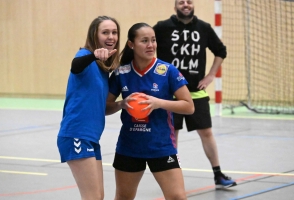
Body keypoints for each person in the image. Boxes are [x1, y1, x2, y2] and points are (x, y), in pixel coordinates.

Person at [153, 0, 237, 189]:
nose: (185, 4)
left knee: (206, 132)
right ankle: (172, 176)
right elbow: (145, 46)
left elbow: (221, 51)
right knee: (171, 134)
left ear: (193, 5)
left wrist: (210, 75)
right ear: (175, 6)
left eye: (189, 1)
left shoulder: (203, 28)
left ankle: (218, 174)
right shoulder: (162, 27)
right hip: (169, 94)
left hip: (195, 93)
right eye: (181, 2)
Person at [105, 22, 194, 200]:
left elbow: (189, 106)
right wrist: (122, 104)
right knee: (123, 197)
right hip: (129, 146)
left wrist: (158, 103)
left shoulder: (167, 70)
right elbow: (106, 108)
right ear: (131, 44)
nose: (151, 45)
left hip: (161, 145)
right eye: (144, 41)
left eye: (153, 40)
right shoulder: (121, 73)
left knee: (177, 197)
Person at [57, 16, 120, 200]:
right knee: (92, 197)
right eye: (105, 32)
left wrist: (122, 104)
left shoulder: (103, 69)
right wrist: (93, 55)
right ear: (94, 35)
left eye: (114, 32)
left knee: (97, 196)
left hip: (91, 137)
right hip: (76, 134)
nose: (111, 37)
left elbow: (103, 108)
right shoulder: (84, 56)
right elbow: (75, 67)